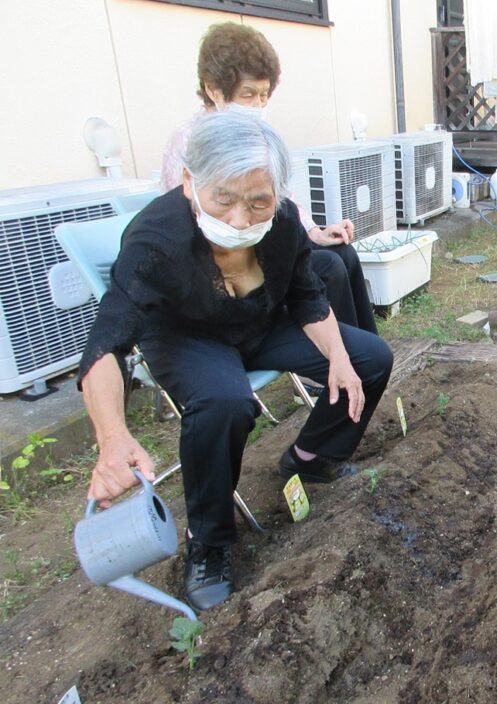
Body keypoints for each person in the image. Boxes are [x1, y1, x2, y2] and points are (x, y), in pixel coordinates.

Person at [81, 111, 393, 611]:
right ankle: (209, 543)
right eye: (223, 199)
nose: (241, 219)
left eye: (258, 201)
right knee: (225, 402)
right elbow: (105, 346)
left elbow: (307, 299)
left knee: (370, 358)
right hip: (188, 339)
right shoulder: (154, 240)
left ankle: (309, 458)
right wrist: (113, 437)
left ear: (276, 193)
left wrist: (337, 355)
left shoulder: (284, 222)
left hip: (257, 323)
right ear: (189, 183)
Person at [161, 22, 379, 335]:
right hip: (227, 260)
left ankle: (363, 362)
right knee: (328, 268)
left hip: (264, 244)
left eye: (264, 95)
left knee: (342, 253)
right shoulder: (190, 141)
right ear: (213, 89)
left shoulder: (254, 134)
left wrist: (314, 232)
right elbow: (186, 224)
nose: (258, 105)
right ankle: (332, 368)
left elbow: (280, 198)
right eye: (248, 94)